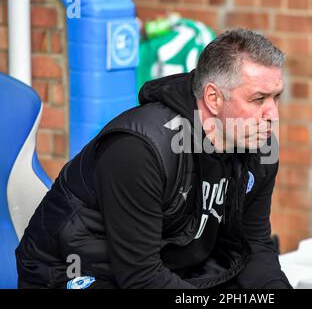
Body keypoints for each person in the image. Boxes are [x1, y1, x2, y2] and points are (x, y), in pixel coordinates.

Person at [16, 28, 292, 289]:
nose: (273, 116)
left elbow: (253, 244)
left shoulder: (259, 146)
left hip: (169, 269)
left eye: (276, 98)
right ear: (213, 98)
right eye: (258, 100)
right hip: (71, 272)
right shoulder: (140, 148)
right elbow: (140, 275)